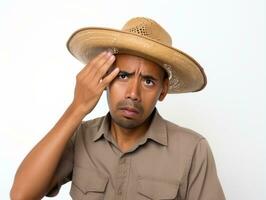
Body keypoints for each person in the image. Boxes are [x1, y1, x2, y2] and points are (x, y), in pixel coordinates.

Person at [10, 17, 225, 200]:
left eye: (148, 81)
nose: (133, 93)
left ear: (163, 90)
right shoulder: (81, 136)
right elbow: (21, 195)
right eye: (123, 76)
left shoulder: (192, 149)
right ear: (105, 78)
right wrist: (77, 107)